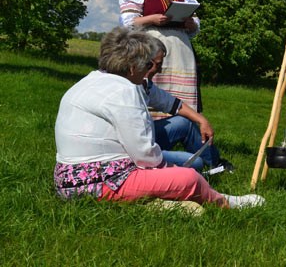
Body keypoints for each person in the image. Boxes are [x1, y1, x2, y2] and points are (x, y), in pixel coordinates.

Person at [53, 27, 262, 210]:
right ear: (133, 67)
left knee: (184, 170)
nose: (151, 71)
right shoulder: (123, 91)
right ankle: (226, 203)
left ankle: (164, 199)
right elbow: (144, 156)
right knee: (188, 178)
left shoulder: (91, 80)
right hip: (96, 184)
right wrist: (171, 172)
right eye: (148, 65)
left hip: (70, 179)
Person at [119, 0, 201, 118]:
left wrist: (190, 23)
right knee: (152, 84)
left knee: (181, 90)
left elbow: (196, 26)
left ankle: (183, 124)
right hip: (151, 46)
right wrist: (151, 19)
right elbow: (128, 22)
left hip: (181, 51)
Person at [144, 37, 233, 172]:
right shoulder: (128, 88)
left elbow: (173, 103)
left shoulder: (145, 85)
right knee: (195, 163)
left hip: (146, 137)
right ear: (146, 63)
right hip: (135, 151)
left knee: (185, 122)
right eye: (158, 64)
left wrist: (202, 120)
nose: (160, 70)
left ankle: (214, 164)